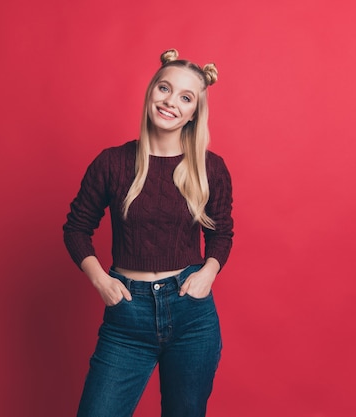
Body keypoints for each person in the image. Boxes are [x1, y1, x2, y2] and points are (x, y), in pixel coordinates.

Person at [63, 48, 234, 417]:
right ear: (151, 91)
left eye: (185, 97)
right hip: (127, 317)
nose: (171, 102)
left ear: (193, 113)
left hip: (192, 317)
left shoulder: (210, 169)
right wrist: (100, 280)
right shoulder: (112, 163)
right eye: (164, 88)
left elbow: (222, 234)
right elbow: (76, 228)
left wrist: (209, 272)